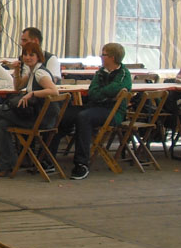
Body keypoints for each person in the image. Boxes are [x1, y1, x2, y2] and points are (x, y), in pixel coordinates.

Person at [54, 43, 132, 181]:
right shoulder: (100, 72)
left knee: (84, 118)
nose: (101, 56)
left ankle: (81, 164)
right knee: (63, 114)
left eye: (103, 54)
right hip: (94, 106)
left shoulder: (124, 74)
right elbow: (92, 93)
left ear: (112, 57)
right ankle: (48, 157)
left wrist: (102, 94)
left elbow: (115, 88)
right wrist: (106, 95)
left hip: (113, 113)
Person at [0, 43, 60, 177]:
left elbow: (54, 91)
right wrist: (17, 70)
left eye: (31, 55)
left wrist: (32, 93)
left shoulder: (40, 73)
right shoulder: (32, 71)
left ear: (38, 57)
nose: (28, 57)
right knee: (2, 124)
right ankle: (8, 166)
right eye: (25, 54)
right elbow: (17, 87)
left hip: (41, 120)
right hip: (35, 115)